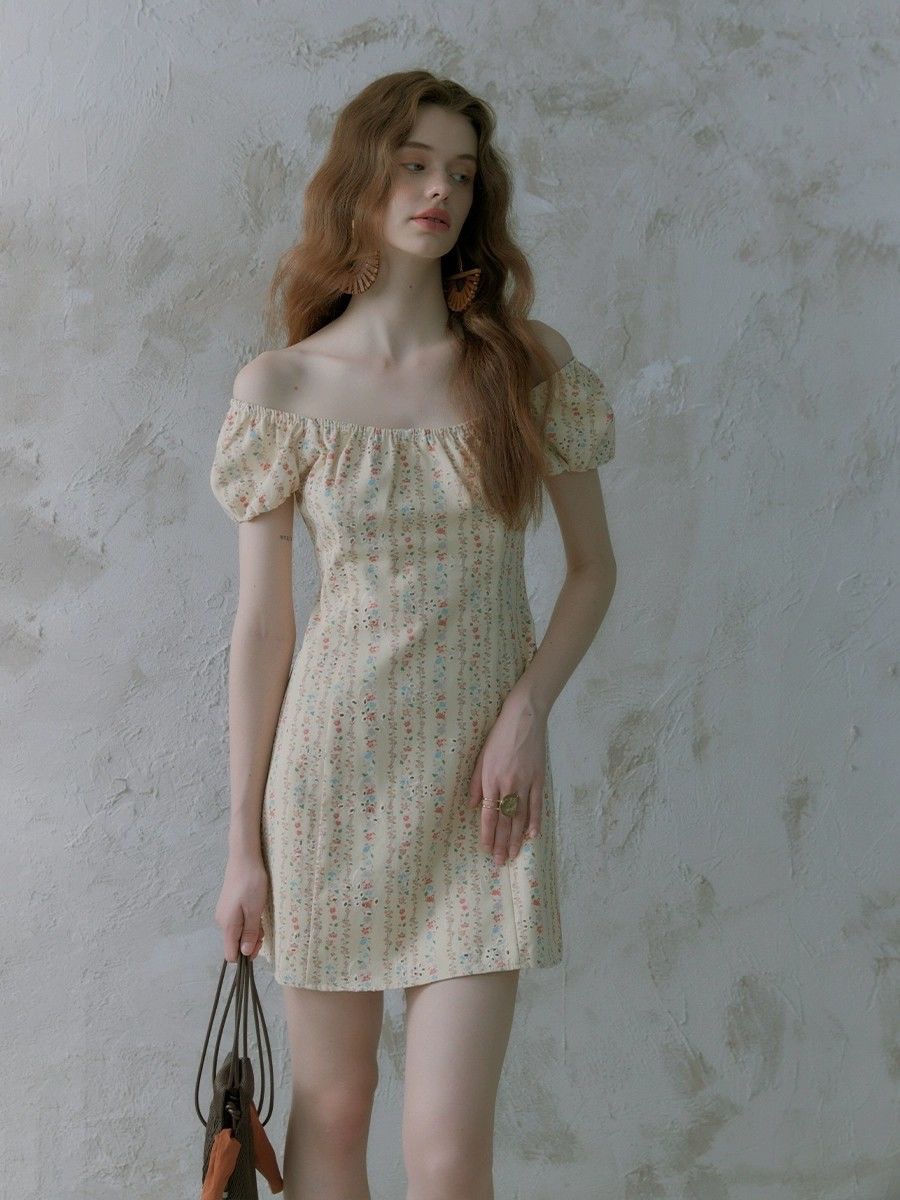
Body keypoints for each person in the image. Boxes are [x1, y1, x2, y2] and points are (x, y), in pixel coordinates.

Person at [209, 69, 616, 1200]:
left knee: (445, 1152)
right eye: (415, 165)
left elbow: (594, 571)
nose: (440, 191)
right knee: (334, 1113)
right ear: (363, 178)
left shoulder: (524, 367)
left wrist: (526, 713)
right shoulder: (285, 386)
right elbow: (263, 631)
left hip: (484, 798)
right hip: (330, 786)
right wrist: (242, 846)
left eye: (462, 174)